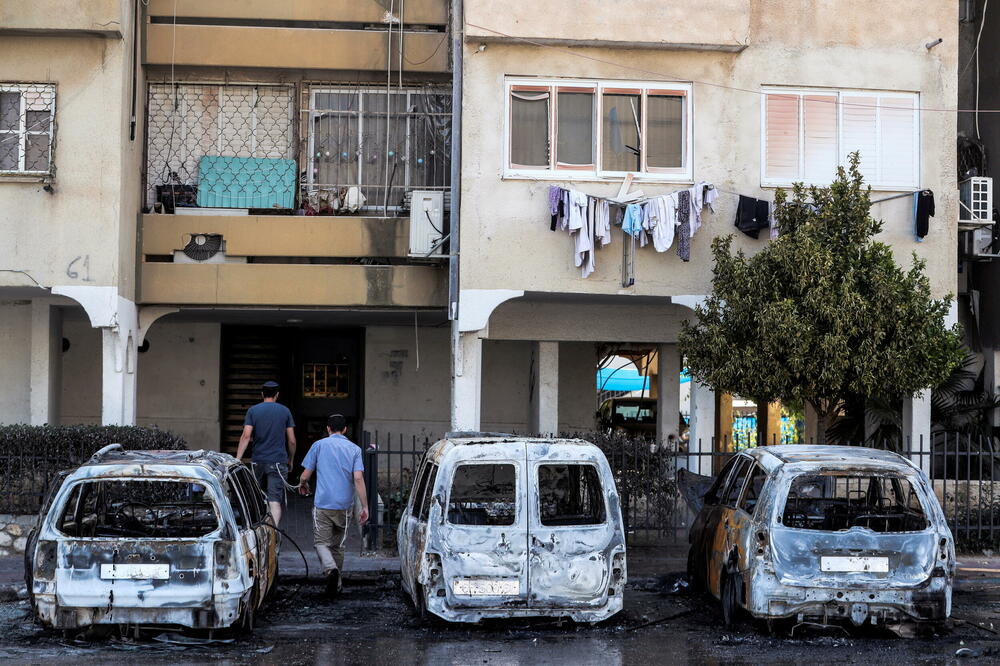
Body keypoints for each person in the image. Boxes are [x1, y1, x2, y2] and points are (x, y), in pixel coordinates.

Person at [298, 413, 370, 597]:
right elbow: (358, 478)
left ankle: (330, 570)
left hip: (323, 503)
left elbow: (305, 475)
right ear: (345, 429)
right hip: (344, 505)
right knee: (338, 546)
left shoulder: (319, 445)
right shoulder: (354, 449)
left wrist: (303, 485)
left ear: (328, 429)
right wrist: (365, 506)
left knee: (321, 543)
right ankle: (337, 584)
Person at [236, 380, 296, 526]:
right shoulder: (285, 411)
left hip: (258, 461)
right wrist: (291, 459)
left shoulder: (253, 411)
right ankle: (272, 536)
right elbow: (292, 440)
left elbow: (246, 436)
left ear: (262, 394)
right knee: (274, 500)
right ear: (277, 395)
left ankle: (257, 531)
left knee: (256, 498)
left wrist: (238, 458)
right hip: (278, 461)